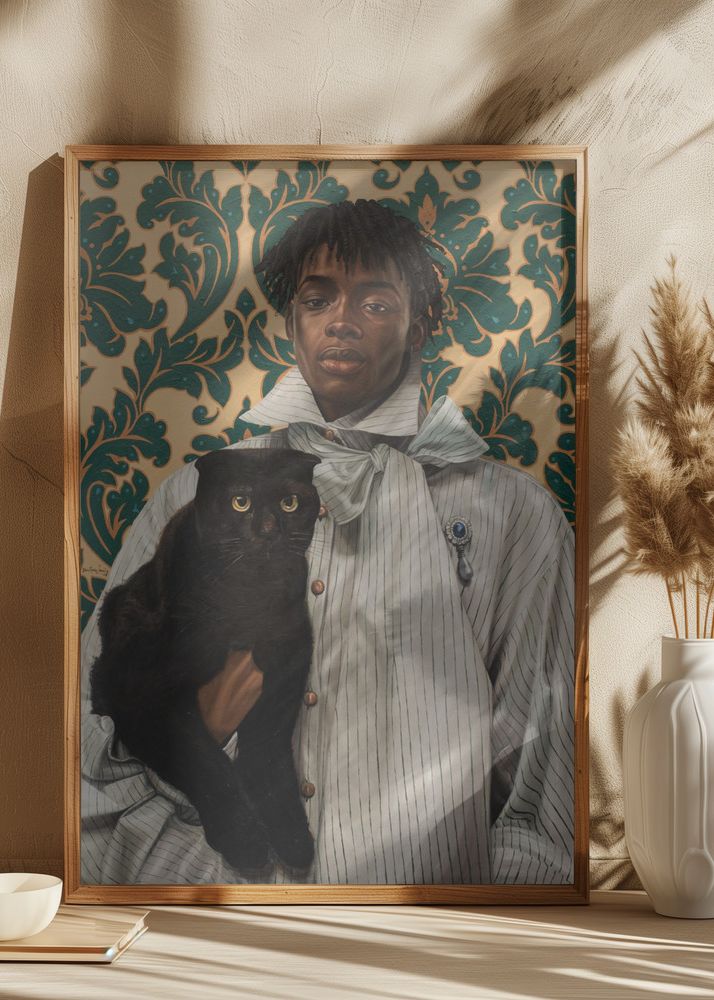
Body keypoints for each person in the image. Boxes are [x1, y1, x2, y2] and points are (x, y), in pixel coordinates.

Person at [81, 199, 574, 886]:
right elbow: (94, 754)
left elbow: (540, 790)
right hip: (227, 916)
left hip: (435, 927)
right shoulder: (193, 495)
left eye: (376, 303)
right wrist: (203, 791)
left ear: (420, 323)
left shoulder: (514, 515)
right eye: (318, 300)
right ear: (292, 322)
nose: (341, 321)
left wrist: (471, 929)